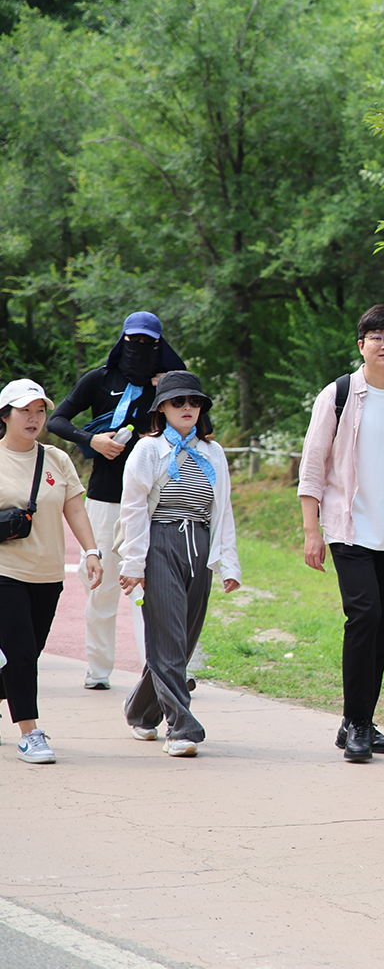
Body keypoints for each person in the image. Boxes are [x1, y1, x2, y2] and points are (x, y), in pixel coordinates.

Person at [297, 304, 384, 762]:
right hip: (349, 528)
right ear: (362, 345)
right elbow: (313, 466)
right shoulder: (336, 395)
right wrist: (310, 530)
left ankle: (362, 721)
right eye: (376, 337)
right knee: (365, 617)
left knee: (383, 628)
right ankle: (355, 721)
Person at [48, 311, 186, 690]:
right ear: (122, 339)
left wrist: (166, 391)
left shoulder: (170, 385)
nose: (139, 349)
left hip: (156, 502)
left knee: (152, 591)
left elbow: (196, 419)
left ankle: (156, 671)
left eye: (149, 343)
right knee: (102, 585)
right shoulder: (100, 379)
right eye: (133, 341)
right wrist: (92, 440)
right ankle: (98, 669)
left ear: (160, 345)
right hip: (106, 498)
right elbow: (56, 420)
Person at [117, 371, 241, 757]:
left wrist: (229, 565)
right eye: (177, 402)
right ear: (162, 410)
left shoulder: (213, 452)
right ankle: (181, 728)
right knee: (167, 639)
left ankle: (139, 711)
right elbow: (134, 510)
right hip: (161, 543)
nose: (187, 408)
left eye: (194, 402)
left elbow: (223, 511)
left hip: (199, 545)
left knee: (181, 642)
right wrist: (134, 564)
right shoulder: (148, 451)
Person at [0, 379, 102, 762]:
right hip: (5, 570)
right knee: (21, 652)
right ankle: (30, 733)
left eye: (40, 410)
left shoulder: (57, 459)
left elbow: (74, 508)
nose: (34, 418)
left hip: (47, 573)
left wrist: (92, 550)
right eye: (25, 410)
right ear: (5, 415)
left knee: (30, 650)